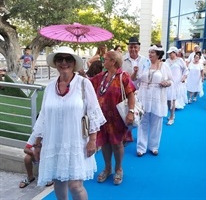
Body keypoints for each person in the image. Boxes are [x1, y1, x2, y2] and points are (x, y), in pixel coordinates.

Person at [32, 46, 106, 200]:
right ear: (55, 62)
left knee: (75, 185)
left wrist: (93, 140)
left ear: (74, 62)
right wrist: (37, 144)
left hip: (77, 142)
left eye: (68, 59)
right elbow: (43, 117)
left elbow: (93, 113)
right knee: (58, 181)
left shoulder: (84, 84)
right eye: (60, 59)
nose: (64, 62)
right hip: (54, 142)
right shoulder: (50, 87)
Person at [90, 51, 136, 185]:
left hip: (117, 118)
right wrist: (79, 72)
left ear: (113, 62)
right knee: (104, 143)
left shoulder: (123, 76)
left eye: (106, 59)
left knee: (117, 144)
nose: (103, 61)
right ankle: (107, 168)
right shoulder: (102, 76)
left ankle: (118, 169)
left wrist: (131, 112)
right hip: (102, 118)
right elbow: (89, 82)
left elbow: (131, 95)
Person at [136, 45, 173, 156]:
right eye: (149, 52)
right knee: (143, 121)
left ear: (158, 54)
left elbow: (171, 80)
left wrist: (167, 83)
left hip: (158, 96)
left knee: (156, 122)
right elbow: (138, 78)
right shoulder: (145, 64)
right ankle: (141, 147)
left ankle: (154, 146)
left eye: (152, 52)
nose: (150, 54)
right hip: (144, 95)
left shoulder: (164, 65)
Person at [122, 37, 150, 143]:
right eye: (131, 47)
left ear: (139, 48)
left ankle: (141, 139)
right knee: (125, 112)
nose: (133, 49)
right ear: (128, 48)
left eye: (135, 47)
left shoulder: (145, 60)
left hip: (141, 90)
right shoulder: (122, 60)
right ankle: (126, 135)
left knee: (140, 114)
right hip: (126, 91)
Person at [165, 46, 188, 125]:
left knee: (173, 100)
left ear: (175, 53)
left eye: (171, 53)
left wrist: (184, 77)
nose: (169, 55)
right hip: (168, 83)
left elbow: (186, 70)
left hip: (176, 83)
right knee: (168, 101)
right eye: (169, 53)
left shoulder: (180, 60)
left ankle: (171, 117)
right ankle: (172, 114)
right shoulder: (167, 61)